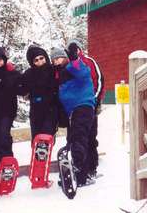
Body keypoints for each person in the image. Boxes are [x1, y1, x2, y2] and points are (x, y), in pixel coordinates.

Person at [52, 44, 96, 187]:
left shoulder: (73, 68)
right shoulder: (60, 74)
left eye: (59, 58)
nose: (57, 61)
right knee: (74, 139)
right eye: (54, 59)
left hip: (83, 106)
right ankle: (79, 171)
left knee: (78, 138)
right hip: (74, 111)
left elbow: (83, 72)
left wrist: (74, 59)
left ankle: (79, 172)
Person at [66, 39, 105, 179]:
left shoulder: (89, 61)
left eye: (75, 49)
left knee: (91, 137)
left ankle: (91, 168)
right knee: (79, 137)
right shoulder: (69, 65)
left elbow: (99, 80)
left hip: (90, 104)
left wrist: (95, 100)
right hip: (76, 107)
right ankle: (82, 169)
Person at [18, 45, 58, 141]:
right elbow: (21, 88)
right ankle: (36, 156)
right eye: (36, 60)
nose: (40, 62)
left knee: (46, 137)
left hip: (51, 109)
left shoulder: (53, 70)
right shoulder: (28, 74)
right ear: (32, 62)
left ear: (45, 57)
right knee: (36, 139)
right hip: (36, 109)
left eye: (41, 58)